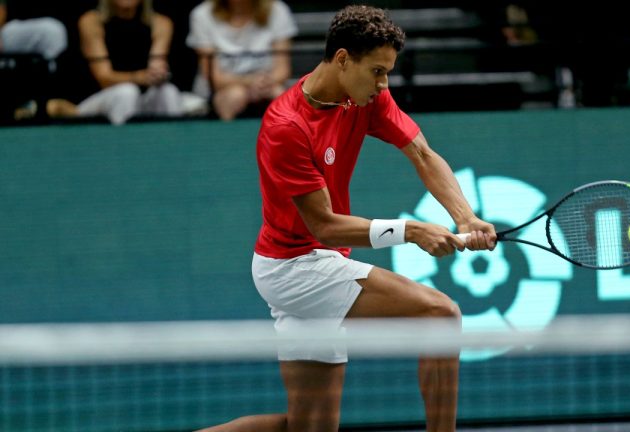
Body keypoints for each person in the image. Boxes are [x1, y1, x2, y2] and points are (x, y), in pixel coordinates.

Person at [197, 5, 496, 432]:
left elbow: (423, 154)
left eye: (387, 72)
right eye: (377, 71)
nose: (383, 83)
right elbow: (324, 225)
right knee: (440, 315)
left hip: (310, 262)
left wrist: (465, 217)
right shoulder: (287, 126)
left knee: (309, 426)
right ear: (342, 59)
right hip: (296, 266)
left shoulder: (365, 98)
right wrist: (410, 231)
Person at [48, 0, 182, 125]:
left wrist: (159, 74)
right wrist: (140, 77)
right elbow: (104, 78)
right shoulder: (91, 21)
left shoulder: (161, 23)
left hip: (141, 101)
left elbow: (156, 66)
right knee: (126, 92)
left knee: (168, 91)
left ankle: (173, 145)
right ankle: (124, 147)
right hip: (96, 101)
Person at [186, 0, 297, 120]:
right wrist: (250, 82)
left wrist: (262, 83)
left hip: (267, 84)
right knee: (235, 95)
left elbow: (282, 71)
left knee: (279, 94)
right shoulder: (202, 14)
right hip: (218, 91)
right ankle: (226, 135)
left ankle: (286, 136)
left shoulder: (277, 9)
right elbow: (214, 78)